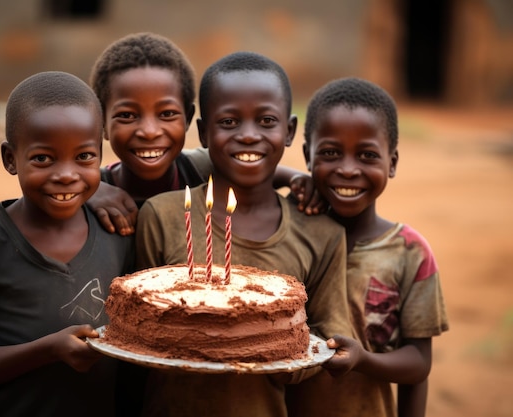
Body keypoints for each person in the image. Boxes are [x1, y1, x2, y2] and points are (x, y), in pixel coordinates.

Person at [134, 51, 352, 417]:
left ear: (290, 130)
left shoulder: (321, 233)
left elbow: (329, 338)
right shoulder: (162, 215)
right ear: (204, 133)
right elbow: (138, 327)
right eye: (230, 121)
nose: (248, 135)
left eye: (266, 120)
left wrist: (263, 350)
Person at [0, 71, 135, 417]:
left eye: (84, 157)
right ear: (10, 159)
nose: (66, 174)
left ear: (101, 156)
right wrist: (49, 350)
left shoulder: (116, 232)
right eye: (43, 158)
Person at [286, 77, 449, 417]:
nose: (348, 169)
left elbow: (418, 364)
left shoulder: (409, 253)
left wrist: (364, 360)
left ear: (392, 163)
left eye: (367, 155)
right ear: (307, 156)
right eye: (330, 153)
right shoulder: (286, 233)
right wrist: (287, 179)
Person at [86, 32, 319, 236]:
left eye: (166, 113)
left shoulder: (196, 168)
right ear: (102, 124)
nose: (149, 131)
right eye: (127, 116)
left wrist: (294, 179)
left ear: (188, 119)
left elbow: (249, 160)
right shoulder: (95, 186)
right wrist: (90, 192)